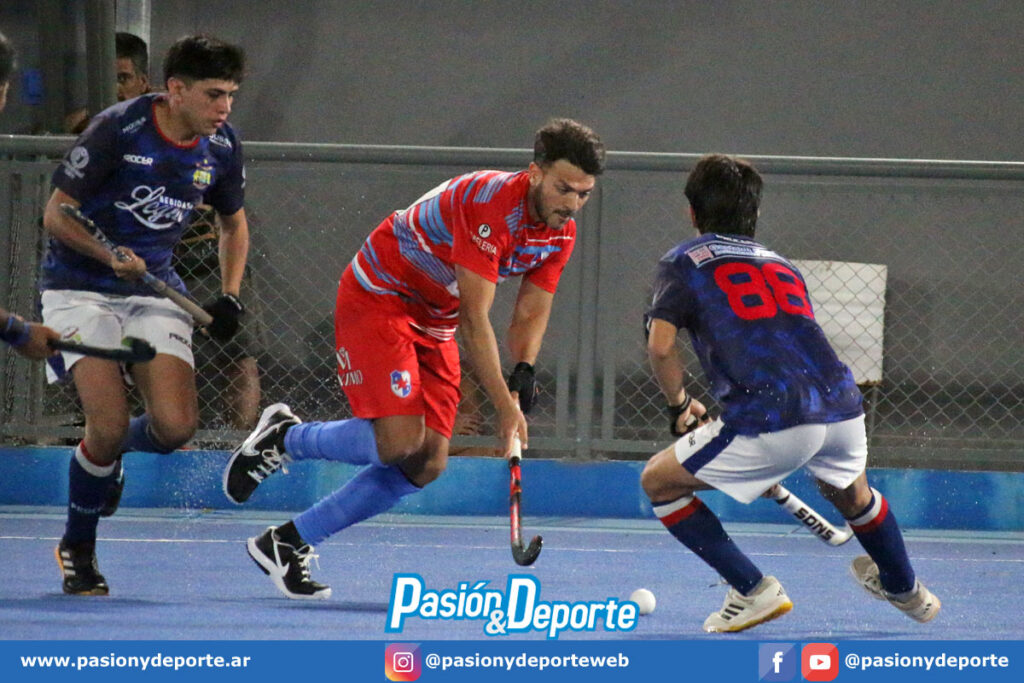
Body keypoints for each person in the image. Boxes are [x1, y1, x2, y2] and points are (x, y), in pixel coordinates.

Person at [223, 118, 605, 599]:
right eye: (563, 189)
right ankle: (286, 437)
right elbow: (475, 320)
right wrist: (503, 408)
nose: (572, 204)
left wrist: (523, 371)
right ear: (535, 173)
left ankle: (288, 542)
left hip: (435, 317)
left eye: (584, 194)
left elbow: (530, 313)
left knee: (427, 461)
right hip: (382, 294)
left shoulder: (559, 234)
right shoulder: (491, 207)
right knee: (398, 441)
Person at [640, 154, 940, 632]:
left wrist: (678, 405)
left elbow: (661, 347)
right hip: (841, 407)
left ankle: (752, 590)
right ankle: (907, 590)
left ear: (692, 212)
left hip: (771, 417)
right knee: (851, 493)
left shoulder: (682, 261)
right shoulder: (780, 264)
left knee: (659, 482)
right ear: (754, 214)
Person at [40, 34, 249, 595]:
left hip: (154, 289)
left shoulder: (221, 145)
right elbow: (56, 214)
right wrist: (107, 255)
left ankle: (107, 458)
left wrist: (229, 295)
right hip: (78, 288)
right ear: (175, 90)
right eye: (213, 95)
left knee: (175, 428)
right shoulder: (118, 127)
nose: (224, 107)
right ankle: (78, 546)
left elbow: (233, 224)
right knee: (105, 424)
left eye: (231, 95)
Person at [66, 32, 153, 135]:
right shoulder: (84, 125)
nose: (114, 89)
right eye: (106, 79)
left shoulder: (158, 124)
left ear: (143, 82)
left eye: (122, 78)